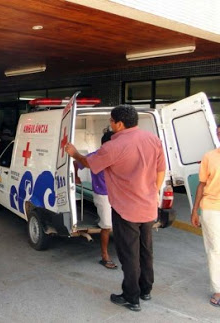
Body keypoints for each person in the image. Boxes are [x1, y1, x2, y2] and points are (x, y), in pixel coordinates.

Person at [65, 105, 165, 312]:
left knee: (129, 254)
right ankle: (146, 289)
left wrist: (74, 153)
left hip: (126, 210)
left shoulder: (113, 146)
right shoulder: (153, 140)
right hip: (148, 207)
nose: (109, 124)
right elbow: (161, 170)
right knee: (146, 250)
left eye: (111, 121)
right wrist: (154, 192)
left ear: (119, 124)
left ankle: (131, 297)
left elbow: (90, 163)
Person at [74, 131, 117, 269]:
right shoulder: (94, 156)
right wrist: (76, 176)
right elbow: (76, 163)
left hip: (118, 194)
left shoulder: (118, 155)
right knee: (106, 226)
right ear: (106, 144)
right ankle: (105, 256)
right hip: (103, 194)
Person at [190, 124, 220, 307]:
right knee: (216, 250)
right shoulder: (209, 157)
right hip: (211, 208)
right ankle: (218, 289)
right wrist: (195, 210)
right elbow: (201, 185)